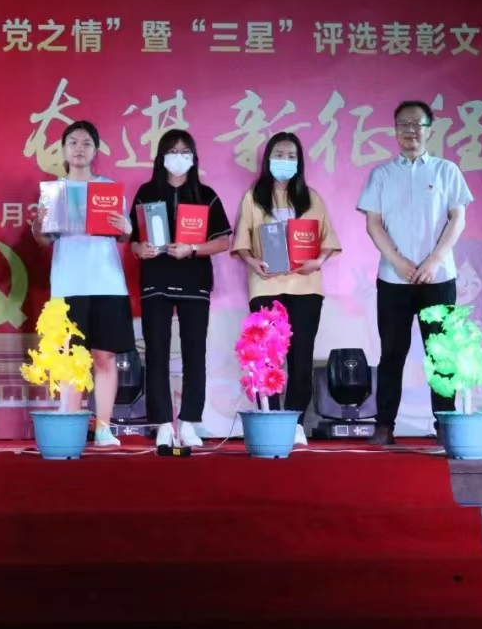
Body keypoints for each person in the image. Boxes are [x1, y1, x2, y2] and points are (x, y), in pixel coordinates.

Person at [357, 100, 473, 445]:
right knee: (392, 353)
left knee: (442, 354)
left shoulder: (446, 171)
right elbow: (373, 224)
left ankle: (445, 424)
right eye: (403, 124)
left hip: (438, 278)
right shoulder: (381, 175)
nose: (410, 131)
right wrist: (398, 262)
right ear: (394, 131)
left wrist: (434, 260)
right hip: (394, 279)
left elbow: (457, 219)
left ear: (429, 130)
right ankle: (384, 426)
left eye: (417, 124)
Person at [231, 132, 340, 446]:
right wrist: (253, 263)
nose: (285, 160)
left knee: (301, 358)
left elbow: (327, 241)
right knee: (265, 358)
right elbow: (241, 243)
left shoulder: (311, 198)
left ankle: (295, 423)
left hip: (306, 287)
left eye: (291, 156)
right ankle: (269, 418)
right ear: (268, 159)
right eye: (279, 154)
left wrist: (317, 262)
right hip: (266, 284)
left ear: (299, 162)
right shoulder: (253, 197)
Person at [33, 120, 135, 448]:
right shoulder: (54, 191)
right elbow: (43, 240)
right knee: (69, 358)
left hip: (107, 284)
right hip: (68, 284)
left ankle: (104, 428)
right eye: (73, 143)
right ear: (63, 150)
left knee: (104, 357)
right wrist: (38, 223)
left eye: (86, 143)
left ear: (95, 150)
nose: (79, 149)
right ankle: (70, 428)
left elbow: (122, 236)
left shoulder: (109, 189)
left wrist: (126, 228)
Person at [129, 130, 232, 448]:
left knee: (194, 354)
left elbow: (223, 241)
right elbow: (131, 240)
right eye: (172, 151)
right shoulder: (147, 192)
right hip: (156, 280)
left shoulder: (206, 194)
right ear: (161, 157)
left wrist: (193, 249)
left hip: (194, 282)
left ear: (193, 157)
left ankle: (188, 424)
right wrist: (139, 249)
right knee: (156, 353)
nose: (178, 157)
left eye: (184, 151)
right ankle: (163, 424)